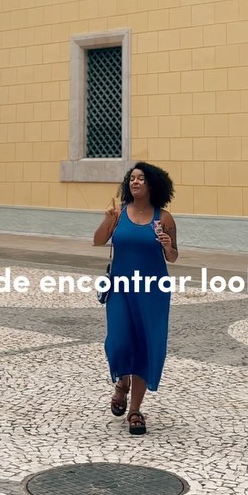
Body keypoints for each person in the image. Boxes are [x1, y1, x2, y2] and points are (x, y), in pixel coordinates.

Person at [93, 162, 178, 436]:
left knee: (144, 345)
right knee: (118, 342)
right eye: (132, 178)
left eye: (141, 178)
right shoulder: (118, 214)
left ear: (152, 185)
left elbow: (174, 256)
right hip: (120, 288)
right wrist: (108, 219)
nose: (135, 182)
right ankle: (122, 383)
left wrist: (167, 245)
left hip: (153, 291)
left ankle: (135, 410)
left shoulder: (163, 218)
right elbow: (97, 241)